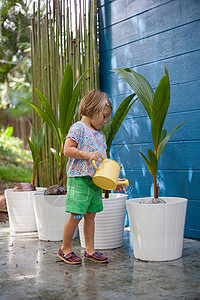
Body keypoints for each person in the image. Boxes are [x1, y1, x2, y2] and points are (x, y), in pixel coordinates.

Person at [57, 89, 125, 265]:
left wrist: (113, 181)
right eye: (103, 116)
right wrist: (87, 154)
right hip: (79, 178)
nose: (105, 121)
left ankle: (90, 250)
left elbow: (102, 163)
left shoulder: (100, 136)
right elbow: (67, 150)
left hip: (94, 181)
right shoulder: (78, 128)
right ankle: (64, 249)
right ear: (93, 110)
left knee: (91, 215)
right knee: (76, 215)